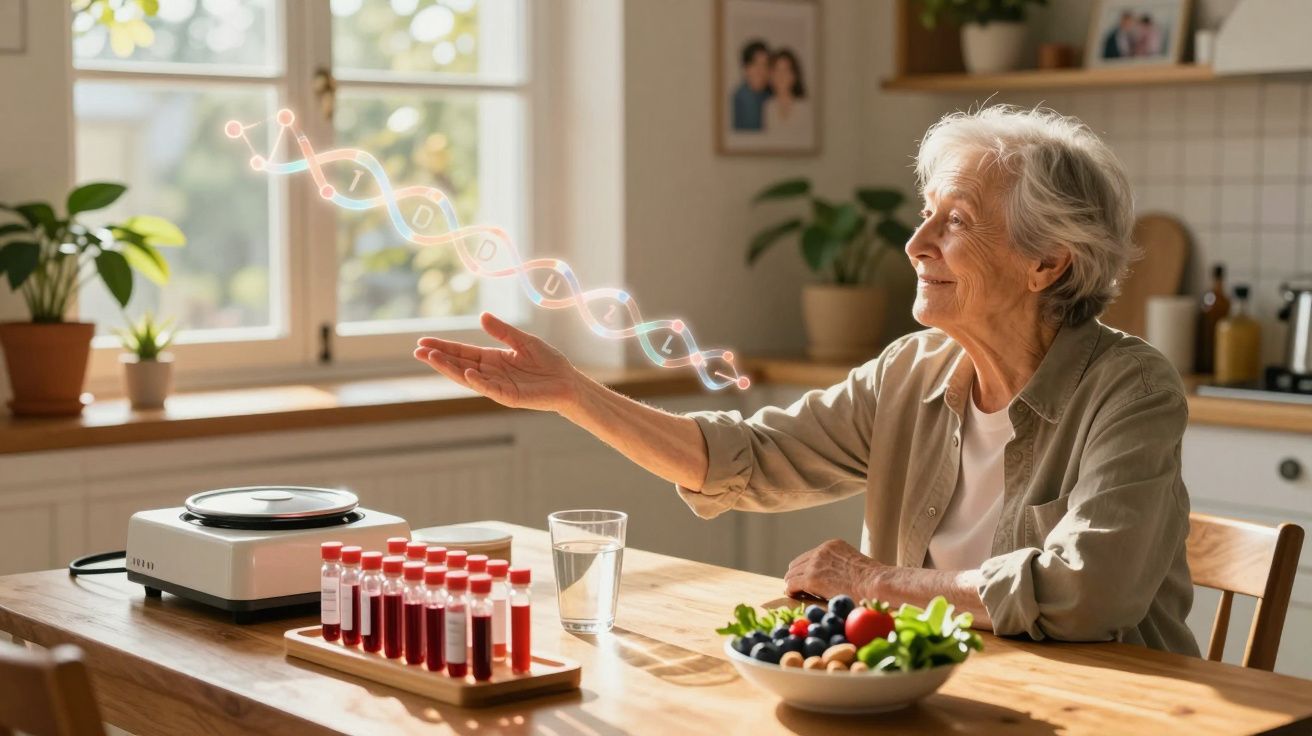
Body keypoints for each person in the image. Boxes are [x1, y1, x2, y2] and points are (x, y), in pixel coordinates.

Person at [413, 105, 1199, 655]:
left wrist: (872, 582)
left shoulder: (1130, 389)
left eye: (955, 221)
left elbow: (1088, 592)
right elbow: (751, 460)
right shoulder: (911, 370)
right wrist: (572, 393)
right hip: (946, 693)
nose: (917, 243)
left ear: (1047, 262)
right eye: (925, 214)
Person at [761, 48, 813, 147]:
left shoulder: (804, 107)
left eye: (786, 71)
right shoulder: (767, 106)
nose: (781, 76)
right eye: (776, 71)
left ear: (794, 76)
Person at [731, 39, 771, 131]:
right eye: (755, 64)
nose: (760, 70)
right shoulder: (739, 98)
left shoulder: (769, 95)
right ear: (745, 68)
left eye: (764, 65)